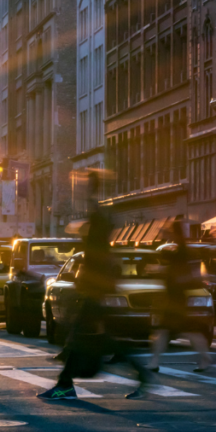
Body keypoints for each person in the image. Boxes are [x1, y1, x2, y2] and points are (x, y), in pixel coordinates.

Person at [38, 171, 152, 401]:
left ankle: (65, 384)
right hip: (95, 289)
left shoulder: (99, 224)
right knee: (99, 338)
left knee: (86, 336)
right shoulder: (100, 223)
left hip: (95, 291)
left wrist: (90, 188)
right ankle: (141, 375)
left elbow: (97, 255)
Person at [147, 218, 211, 373]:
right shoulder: (181, 249)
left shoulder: (181, 250)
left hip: (176, 299)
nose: (170, 236)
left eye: (171, 232)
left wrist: (158, 269)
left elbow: (174, 266)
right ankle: (155, 361)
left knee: (171, 330)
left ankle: (155, 362)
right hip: (175, 298)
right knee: (181, 330)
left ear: (175, 233)